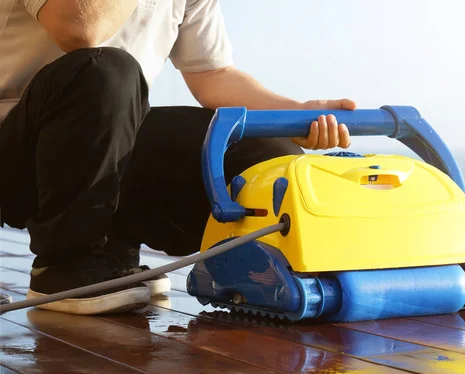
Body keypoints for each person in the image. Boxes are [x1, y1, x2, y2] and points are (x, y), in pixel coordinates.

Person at [0, 0, 356, 315]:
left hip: (99, 143)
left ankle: (110, 248)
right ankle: (64, 265)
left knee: (264, 154)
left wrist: (295, 115)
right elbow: (79, 29)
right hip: (13, 160)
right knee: (105, 69)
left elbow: (213, 75)